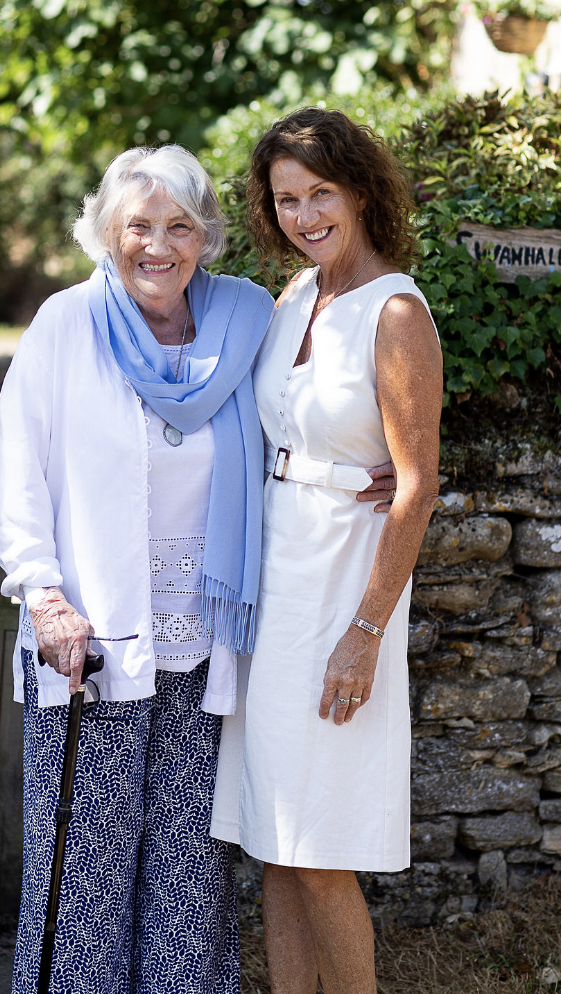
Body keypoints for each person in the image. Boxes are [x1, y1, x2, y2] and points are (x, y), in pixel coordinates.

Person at [0, 142, 397, 994]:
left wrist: (385, 463)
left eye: (180, 227)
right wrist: (44, 596)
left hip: (205, 648)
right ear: (107, 231)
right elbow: (20, 469)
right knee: (84, 878)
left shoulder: (245, 321)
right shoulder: (67, 324)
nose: (158, 245)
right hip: (89, 649)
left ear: (206, 237)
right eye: (139, 225)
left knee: (188, 883)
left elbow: (303, 412)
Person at [214, 109, 443, 994]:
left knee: (319, 851)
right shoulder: (295, 297)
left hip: (344, 587)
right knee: (273, 841)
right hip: (277, 581)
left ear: (360, 193)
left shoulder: (396, 313)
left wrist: (365, 632)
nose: (305, 216)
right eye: (287, 201)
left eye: (321, 194)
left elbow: (415, 486)